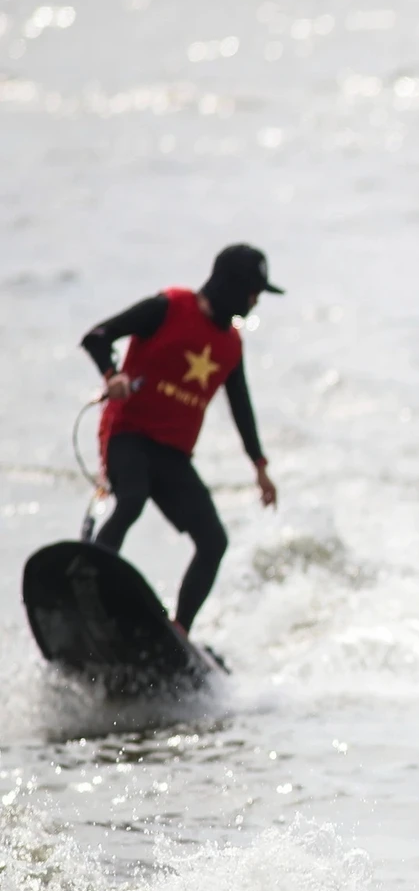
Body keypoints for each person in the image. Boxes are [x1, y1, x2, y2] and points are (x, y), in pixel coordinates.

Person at [79, 243, 282, 632]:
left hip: (173, 456)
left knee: (214, 542)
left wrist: (259, 467)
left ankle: (179, 630)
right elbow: (97, 336)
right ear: (232, 286)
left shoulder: (231, 346)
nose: (256, 300)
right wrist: (112, 374)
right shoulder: (169, 307)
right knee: (132, 499)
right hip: (129, 435)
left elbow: (242, 407)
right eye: (253, 290)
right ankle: (90, 582)